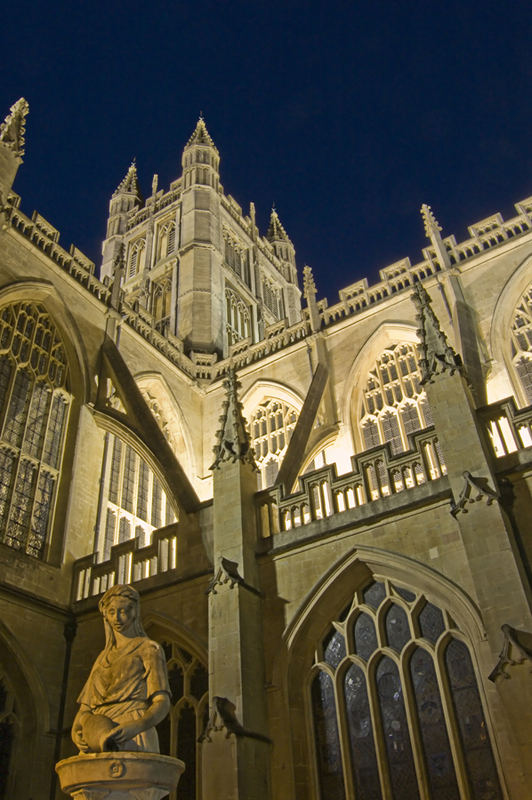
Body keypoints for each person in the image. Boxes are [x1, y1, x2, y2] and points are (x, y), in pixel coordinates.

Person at [71, 584, 171, 753]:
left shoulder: (148, 649)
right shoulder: (102, 658)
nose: (117, 618)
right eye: (112, 612)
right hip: (95, 735)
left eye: (123, 611)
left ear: (134, 613)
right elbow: (85, 709)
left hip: (132, 732)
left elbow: (162, 702)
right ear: (106, 616)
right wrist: (76, 730)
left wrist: (136, 726)